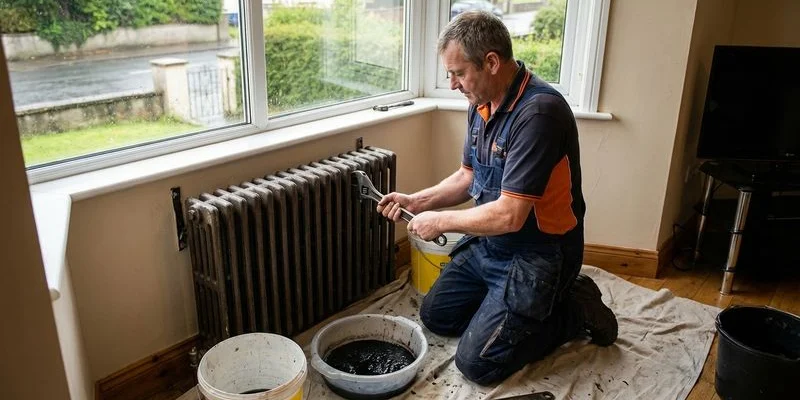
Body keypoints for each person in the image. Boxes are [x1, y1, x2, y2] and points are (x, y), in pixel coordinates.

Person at [377, 11, 618, 385]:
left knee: (477, 364)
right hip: (492, 246)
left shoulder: (539, 113)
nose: (453, 84)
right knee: (437, 315)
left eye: (458, 73)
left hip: (540, 254)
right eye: (449, 75)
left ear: (491, 62)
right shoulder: (481, 102)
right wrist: (416, 201)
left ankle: (573, 309)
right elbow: (467, 176)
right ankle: (513, 309)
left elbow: (510, 215)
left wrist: (440, 221)